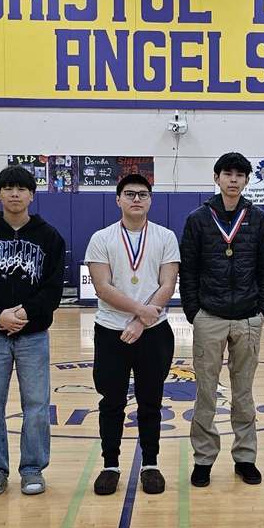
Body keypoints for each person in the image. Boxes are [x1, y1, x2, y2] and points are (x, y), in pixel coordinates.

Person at [0, 166, 66, 498]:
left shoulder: (49, 236)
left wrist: (25, 312)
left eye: (21, 189)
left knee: (36, 404)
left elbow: (53, 289)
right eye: (7, 188)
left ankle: (32, 468)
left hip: (33, 334)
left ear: (31, 195)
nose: (14, 194)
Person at [179, 152, 264, 488]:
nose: (233, 179)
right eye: (227, 174)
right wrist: (194, 311)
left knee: (244, 393)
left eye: (239, 174)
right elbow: (188, 269)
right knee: (206, 393)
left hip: (248, 317)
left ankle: (245, 457)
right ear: (216, 178)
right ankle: (204, 459)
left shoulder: (259, 219)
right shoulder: (198, 219)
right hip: (210, 317)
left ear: (247, 180)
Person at [86, 174, 180, 496]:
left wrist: (141, 321)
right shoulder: (101, 238)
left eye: (142, 194)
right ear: (118, 199)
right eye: (130, 194)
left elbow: (167, 284)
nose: (136, 199)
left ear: (151, 200)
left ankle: (151, 464)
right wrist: (139, 312)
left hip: (154, 332)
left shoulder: (166, 237)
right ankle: (110, 464)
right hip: (111, 330)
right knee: (111, 401)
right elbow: (102, 287)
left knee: (151, 401)